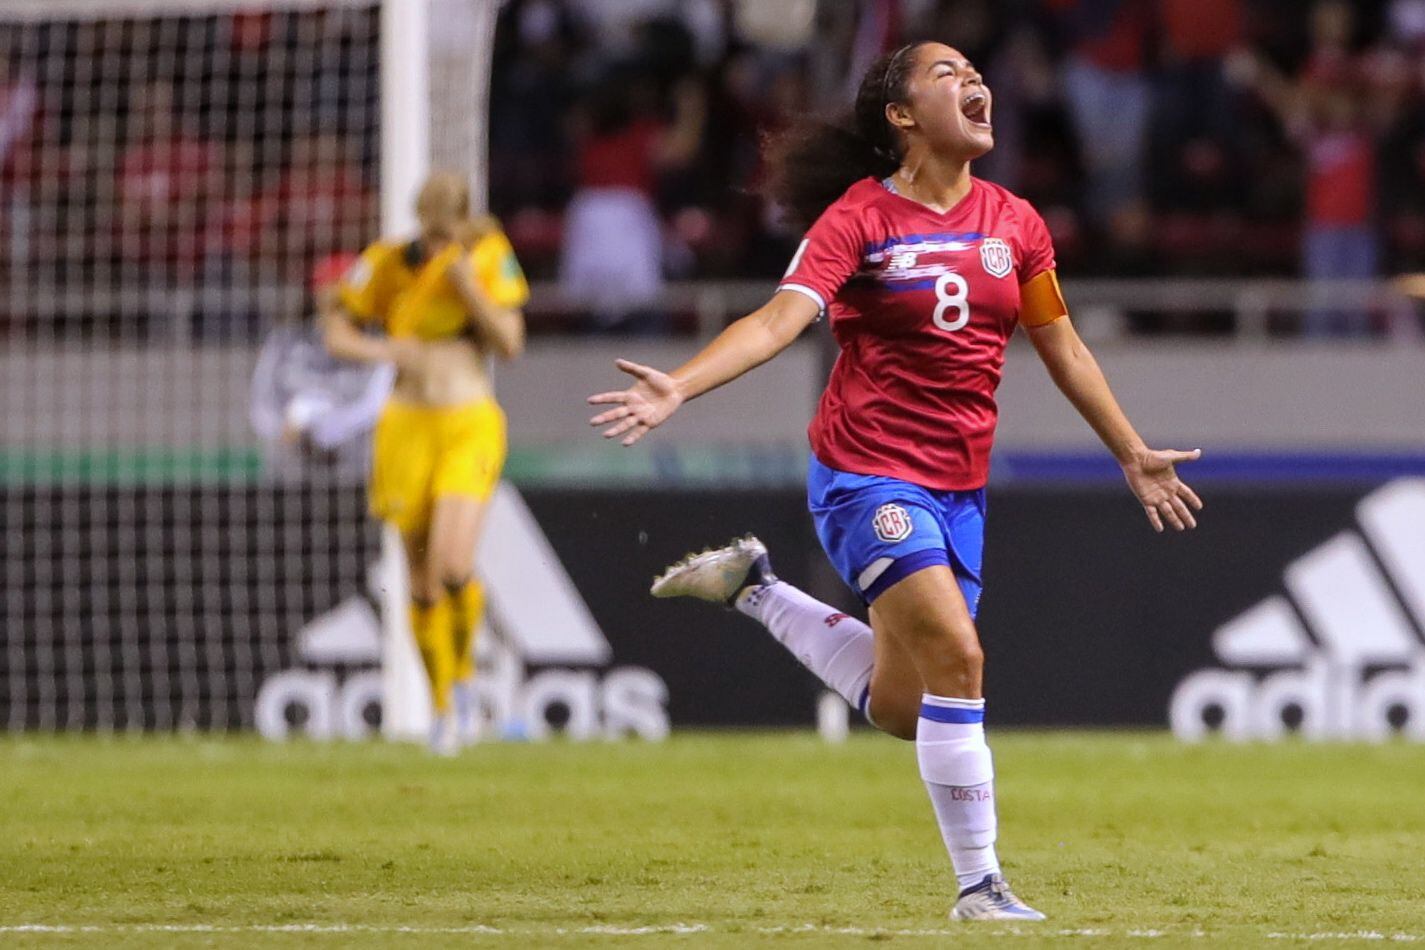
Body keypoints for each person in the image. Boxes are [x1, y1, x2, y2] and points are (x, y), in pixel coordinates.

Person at [587, 41, 1202, 921]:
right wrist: (679, 384)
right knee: (960, 657)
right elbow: (776, 321)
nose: (974, 82)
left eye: (976, 73)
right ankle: (979, 887)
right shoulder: (858, 220)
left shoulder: (1015, 224)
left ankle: (756, 589)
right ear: (902, 116)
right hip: (867, 476)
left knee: (903, 708)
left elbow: (1060, 347)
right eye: (946, 75)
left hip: (959, 488)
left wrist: (1130, 450)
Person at [324, 172, 528, 755]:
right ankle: (442, 705)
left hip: (467, 422)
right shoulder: (389, 262)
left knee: (454, 565)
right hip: (405, 426)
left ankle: (465, 684)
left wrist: (466, 285)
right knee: (418, 582)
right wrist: (383, 348)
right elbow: (337, 327)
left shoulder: (485, 256)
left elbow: (510, 344)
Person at [249, 252, 395, 474]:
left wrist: (315, 419)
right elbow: (261, 407)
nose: (342, 299)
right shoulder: (284, 343)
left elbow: (377, 407)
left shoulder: (381, 346)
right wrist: (286, 427)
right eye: (334, 289)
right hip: (290, 472)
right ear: (318, 293)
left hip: (356, 471)